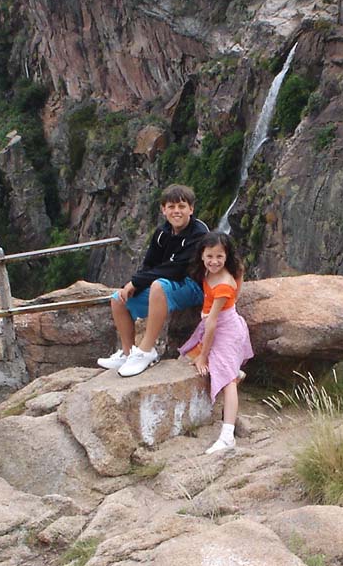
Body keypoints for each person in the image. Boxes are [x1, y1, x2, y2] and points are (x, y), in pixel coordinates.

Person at [97, 183, 208, 377]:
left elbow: (176, 269)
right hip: (169, 285)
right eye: (171, 207)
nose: (176, 211)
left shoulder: (199, 234)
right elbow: (150, 264)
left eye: (182, 206)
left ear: (191, 209)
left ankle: (147, 350)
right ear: (163, 210)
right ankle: (127, 352)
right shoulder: (162, 233)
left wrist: (137, 282)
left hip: (195, 286)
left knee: (158, 285)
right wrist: (132, 285)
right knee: (118, 298)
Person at [179, 231, 253, 453]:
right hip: (217, 324)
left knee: (226, 380)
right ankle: (236, 371)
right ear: (201, 255)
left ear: (226, 256)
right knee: (186, 356)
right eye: (209, 256)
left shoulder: (223, 283)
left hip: (225, 330)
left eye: (220, 257)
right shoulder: (211, 273)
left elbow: (212, 324)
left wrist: (204, 356)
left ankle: (227, 435)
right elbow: (239, 273)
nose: (214, 261)